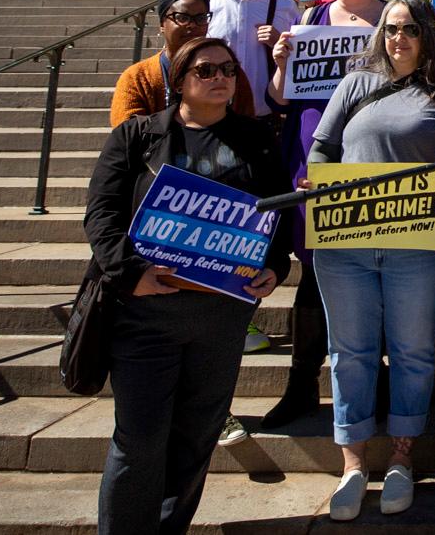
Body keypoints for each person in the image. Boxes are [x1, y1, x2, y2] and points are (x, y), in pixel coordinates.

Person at [86, 36, 289, 535]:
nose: (220, 77)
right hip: (146, 313)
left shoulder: (259, 138)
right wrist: (131, 273)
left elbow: (277, 219)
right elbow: (102, 215)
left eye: (228, 69)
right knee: (140, 437)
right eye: (205, 70)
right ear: (178, 81)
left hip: (221, 317)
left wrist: (275, 268)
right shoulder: (136, 137)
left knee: (197, 437)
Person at [308, 0, 435, 520]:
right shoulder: (355, 83)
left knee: (412, 351)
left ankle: (401, 457)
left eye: (410, 29)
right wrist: (313, 180)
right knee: (349, 350)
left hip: (416, 242)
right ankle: (352, 464)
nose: (398, 37)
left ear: (427, 35)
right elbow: (323, 147)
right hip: (345, 241)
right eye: (391, 28)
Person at [263, 0, 382, 430]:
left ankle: (372, 383)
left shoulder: (393, 20)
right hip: (317, 157)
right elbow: (278, 98)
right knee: (314, 277)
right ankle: (301, 384)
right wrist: (280, 63)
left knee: (375, 275)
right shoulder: (311, 19)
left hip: (378, 157)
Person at [111, 0, 256, 126]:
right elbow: (127, 137)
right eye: (182, 17)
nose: (192, 25)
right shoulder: (138, 78)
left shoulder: (229, 72)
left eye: (201, 18)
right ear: (162, 24)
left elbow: (247, 129)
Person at [208, 0, 299, 119]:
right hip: (214, 121)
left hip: (267, 123)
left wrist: (280, 44)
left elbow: (303, 60)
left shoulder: (283, 3)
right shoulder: (207, 5)